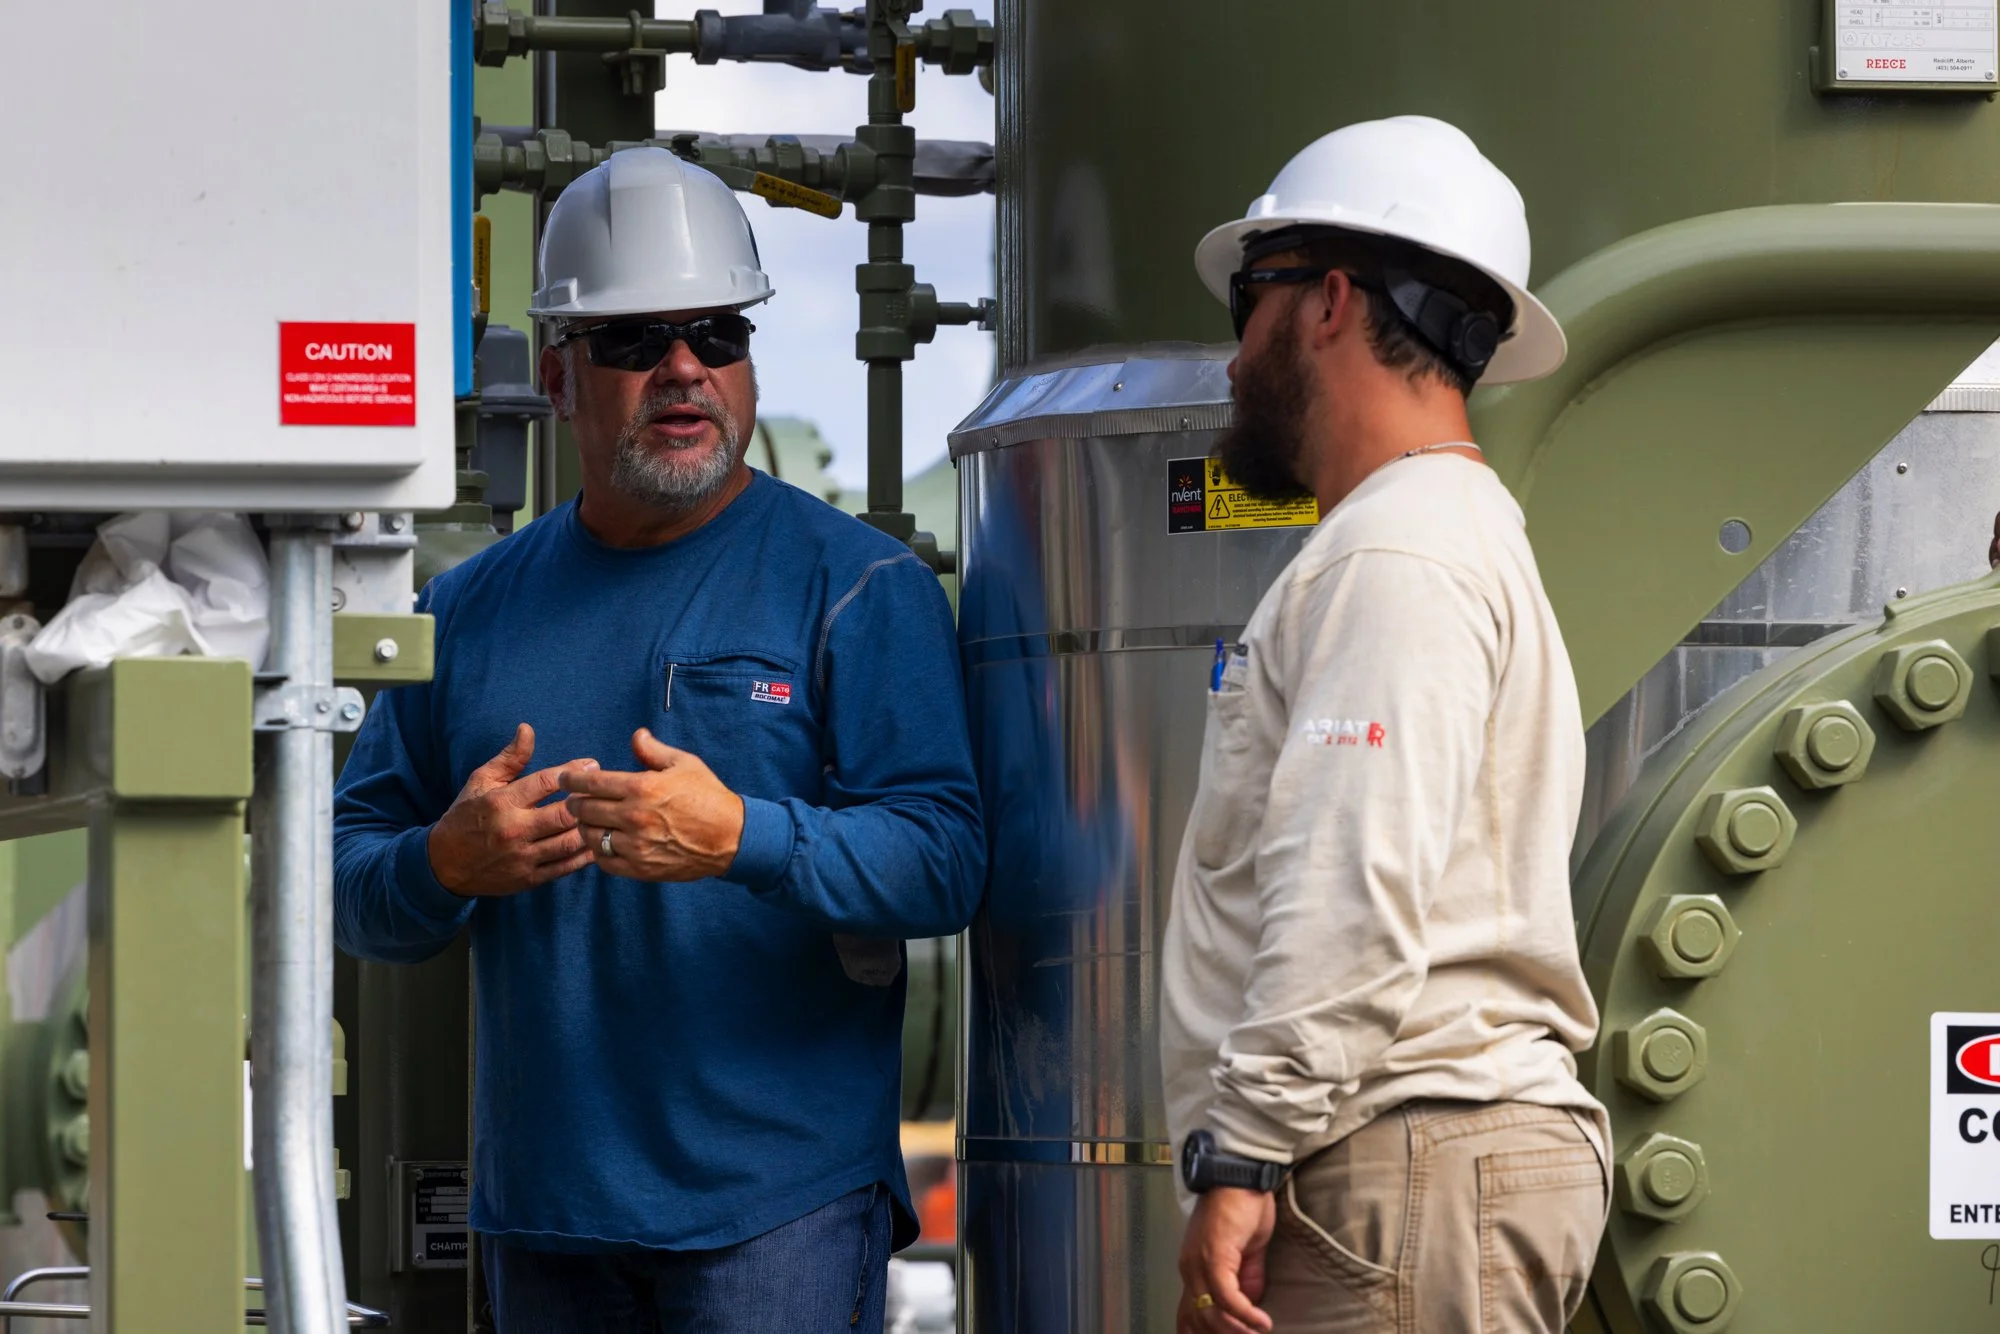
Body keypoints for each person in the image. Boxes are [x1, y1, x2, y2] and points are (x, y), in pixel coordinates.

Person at [332, 147, 984, 1334]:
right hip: (543, 1215)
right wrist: (442, 864)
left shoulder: (856, 586)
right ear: (559, 376)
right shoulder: (467, 610)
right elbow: (344, 886)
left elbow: (943, 858)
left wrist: (742, 834)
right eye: (637, 342)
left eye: (716, 335)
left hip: (774, 1210)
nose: (684, 369)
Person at [1161, 116, 1610, 1334]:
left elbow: (1348, 883)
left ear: (1328, 301)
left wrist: (1244, 1152)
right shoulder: (1441, 533)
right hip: (1413, 1166)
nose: (1233, 354)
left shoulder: (1396, 551)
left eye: (1248, 299)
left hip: (1400, 1159)